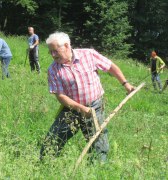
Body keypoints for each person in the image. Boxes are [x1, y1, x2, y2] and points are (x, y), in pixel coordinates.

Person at [40, 32, 135, 162]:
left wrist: (126, 84)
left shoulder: (88, 54)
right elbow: (60, 96)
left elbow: (110, 67)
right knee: (53, 139)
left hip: (95, 107)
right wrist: (80, 108)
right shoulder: (53, 69)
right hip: (71, 109)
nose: (53, 55)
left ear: (66, 46)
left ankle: (98, 169)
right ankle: (45, 164)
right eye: (50, 52)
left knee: (98, 141)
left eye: (55, 51)